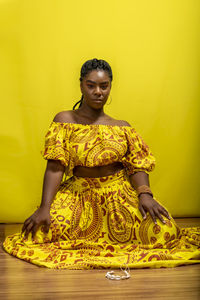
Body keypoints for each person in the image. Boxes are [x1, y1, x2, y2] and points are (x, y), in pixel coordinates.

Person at [3, 58, 200, 270]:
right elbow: (55, 167)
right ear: (81, 85)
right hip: (79, 195)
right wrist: (44, 207)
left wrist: (145, 194)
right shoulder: (64, 120)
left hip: (118, 194)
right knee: (40, 233)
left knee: (163, 230)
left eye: (104, 86)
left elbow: (137, 165)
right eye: (91, 85)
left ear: (110, 87)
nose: (98, 91)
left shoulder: (122, 127)